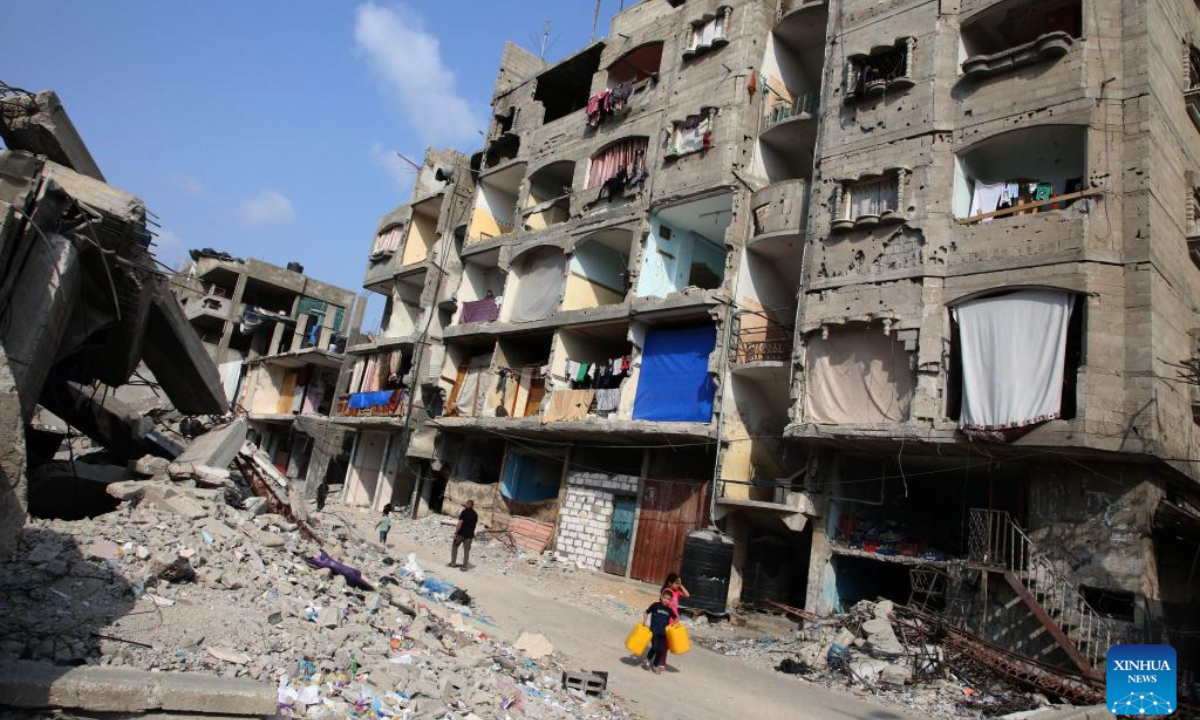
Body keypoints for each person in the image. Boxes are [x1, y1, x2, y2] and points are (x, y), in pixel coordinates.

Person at [642, 588, 677, 674]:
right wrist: (644, 622)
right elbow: (646, 612)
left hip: (663, 634)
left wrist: (673, 625)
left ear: (670, 601)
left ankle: (654, 665)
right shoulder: (655, 605)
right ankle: (647, 660)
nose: (666, 600)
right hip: (654, 631)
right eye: (665, 598)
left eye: (668, 599)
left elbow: (676, 618)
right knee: (654, 647)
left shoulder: (669, 610)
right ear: (661, 597)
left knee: (661, 650)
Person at [450, 500, 478, 572]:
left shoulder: (464, 512)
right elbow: (474, 525)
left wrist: (456, 533)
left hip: (461, 534)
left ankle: (453, 563)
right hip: (469, 535)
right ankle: (464, 567)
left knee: (454, 546)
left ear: (466, 504)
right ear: (472, 505)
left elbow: (460, 523)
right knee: (466, 551)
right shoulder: (475, 514)